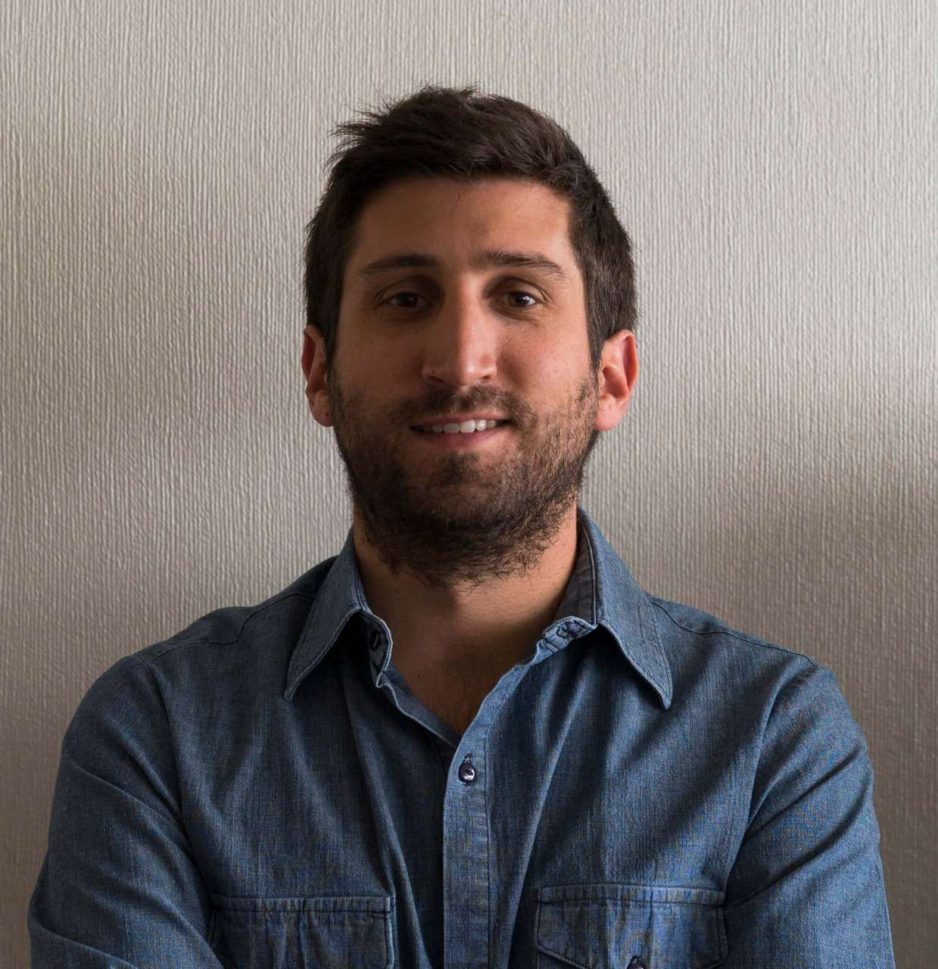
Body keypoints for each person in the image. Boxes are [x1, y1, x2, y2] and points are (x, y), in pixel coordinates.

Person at [29, 85, 895, 968]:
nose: (458, 360)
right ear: (320, 371)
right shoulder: (155, 736)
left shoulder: (773, 737)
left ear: (612, 377)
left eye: (518, 295)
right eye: (406, 299)